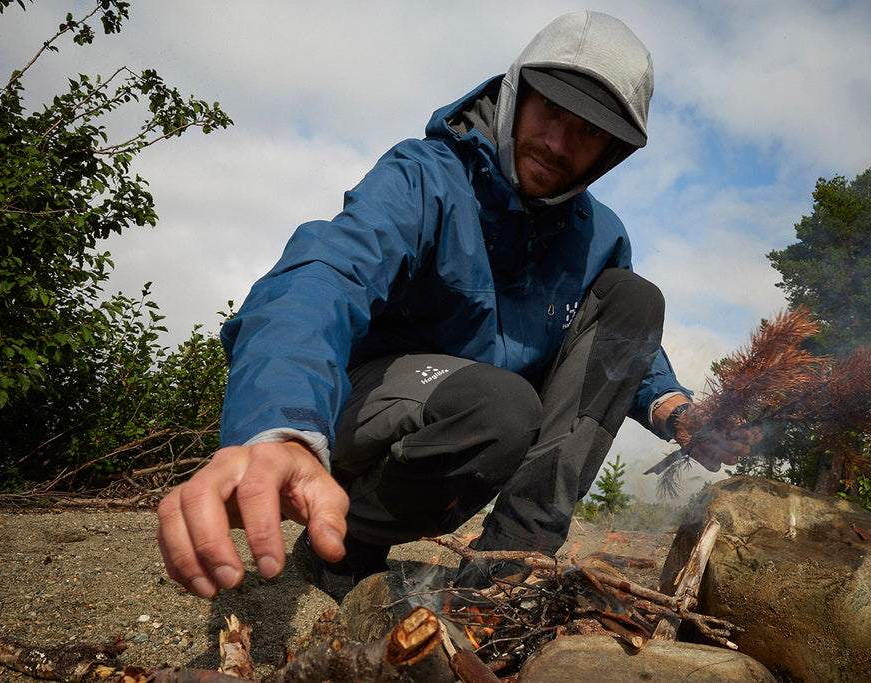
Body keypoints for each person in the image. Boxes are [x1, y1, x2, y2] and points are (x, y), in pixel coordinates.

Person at [156, 10, 749, 602]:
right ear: (516, 94)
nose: (558, 145)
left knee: (634, 298)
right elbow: (323, 276)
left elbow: (616, 349)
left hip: (485, 414)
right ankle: (350, 540)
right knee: (500, 406)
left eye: (588, 133)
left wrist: (674, 408)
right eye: (550, 112)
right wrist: (275, 430)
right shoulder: (425, 177)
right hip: (367, 409)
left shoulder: (601, 238)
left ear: (611, 152)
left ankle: (508, 564)